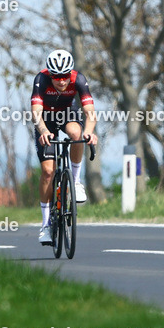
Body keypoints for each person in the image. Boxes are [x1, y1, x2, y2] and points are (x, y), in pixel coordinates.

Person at [32, 49, 98, 245]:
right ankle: (45, 225)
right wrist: (43, 131)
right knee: (47, 172)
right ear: (51, 74)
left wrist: (89, 131)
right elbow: (36, 112)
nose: (61, 81)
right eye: (57, 77)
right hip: (46, 119)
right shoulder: (41, 80)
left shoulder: (78, 79)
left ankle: (76, 182)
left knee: (77, 135)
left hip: (68, 113)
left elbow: (90, 112)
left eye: (65, 76)